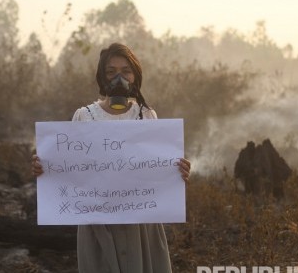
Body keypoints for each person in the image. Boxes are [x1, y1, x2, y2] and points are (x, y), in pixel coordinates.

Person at [31, 42, 191, 273]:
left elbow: (158, 168)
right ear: (102, 78)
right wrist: (43, 168)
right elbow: (68, 167)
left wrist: (178, 172)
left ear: (135, 76)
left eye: (126, 71)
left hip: (141, 224)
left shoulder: (147, 116)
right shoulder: (84, 116)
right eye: (111, 71)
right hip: (98, 223)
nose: (119, 77)